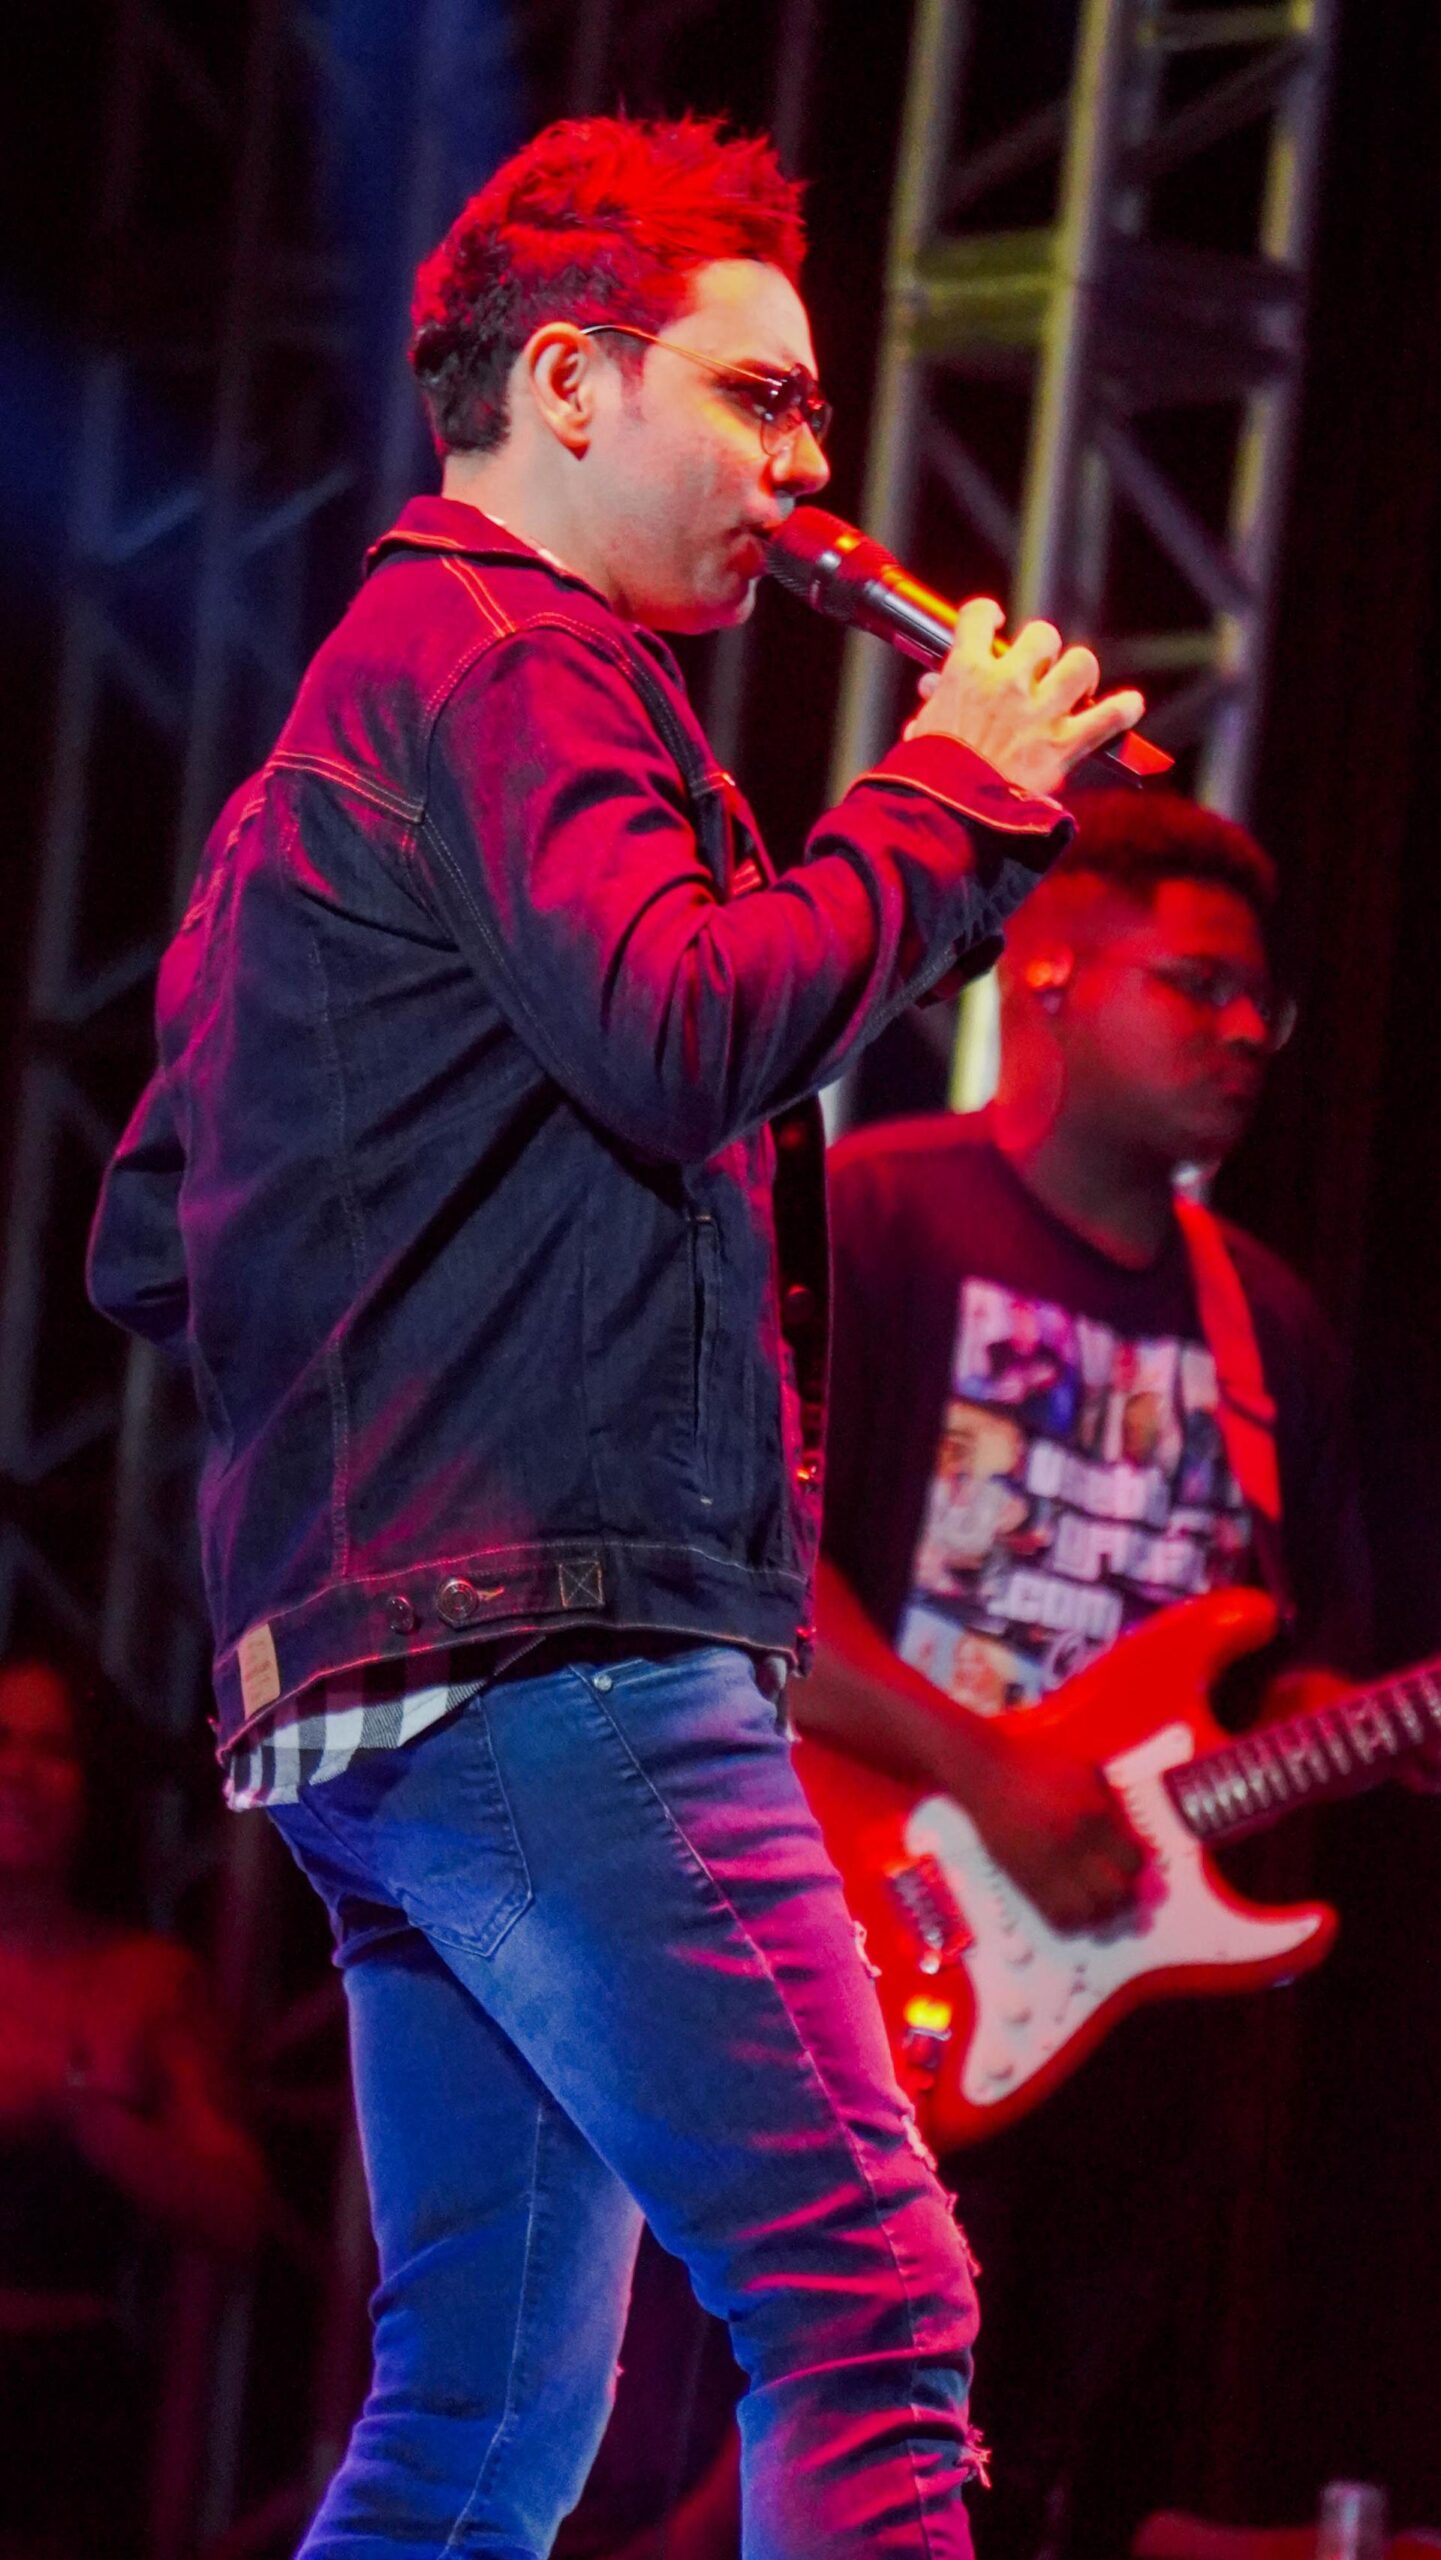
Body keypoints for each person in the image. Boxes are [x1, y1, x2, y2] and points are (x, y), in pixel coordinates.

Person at [86, 114, 1144, 2560]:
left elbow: (156, 1230)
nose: (808, 471)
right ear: (568, 384)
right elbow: (678, 1027)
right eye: (762, 399)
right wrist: (949, 803)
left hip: (381, 1680)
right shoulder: (511, 655)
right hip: (549, 1655)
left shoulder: (350, 725)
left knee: (474, 2422)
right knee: (865, 2300)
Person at [794, 788, 1371, 2560]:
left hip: (1130, 2015)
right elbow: (739, 1579)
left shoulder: (1267, 1322)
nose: (1244, 1031)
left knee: (1024, 2482)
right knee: (822, 2450)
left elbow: (1299, 1656)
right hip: (868, 1938)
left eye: (1262, 1001)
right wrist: (986, 1771)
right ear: (1045, 974)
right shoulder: (875, 1217)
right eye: (1196, 985)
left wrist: (1355, 1729)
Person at [0, 1653, 267, 2558]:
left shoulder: (146, 1984)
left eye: (53, 1750)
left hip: (54, 2422)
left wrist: (82, 2115)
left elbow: (236, 2212)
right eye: (1, 1742)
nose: (19, 1772)